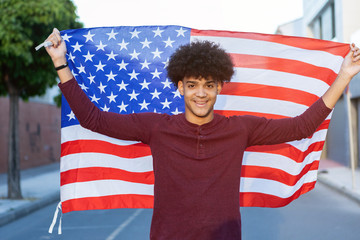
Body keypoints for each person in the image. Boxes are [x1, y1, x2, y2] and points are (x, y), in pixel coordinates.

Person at [45, 28, 360, 240]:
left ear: (220, 86)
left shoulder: (240, 129)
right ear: (180, 87)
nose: (201, 93)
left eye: (209, 85)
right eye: (192, 84)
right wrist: (60, 62)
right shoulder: (156, 127)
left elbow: (302, 126)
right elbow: (92, 119)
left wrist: (345, 75)